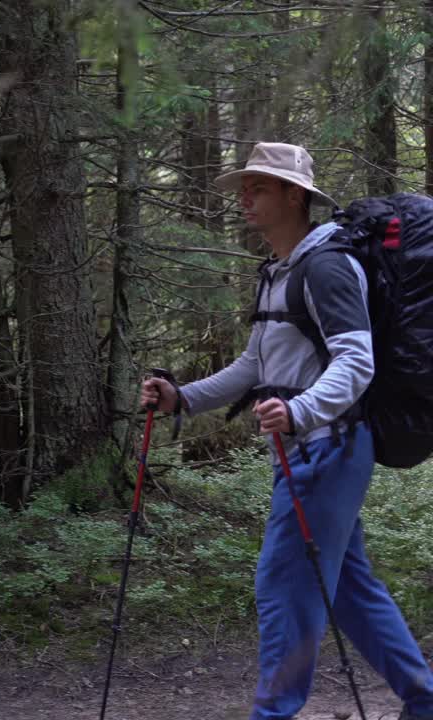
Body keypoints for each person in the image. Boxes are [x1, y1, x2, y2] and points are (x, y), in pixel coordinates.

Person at [140, 142, 433, 720]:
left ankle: (273, 713)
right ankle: (425, 700)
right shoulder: (280, 271)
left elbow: (356, 361)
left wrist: (300, 412)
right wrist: (182, 399)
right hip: (316, 448)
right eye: (243, 188)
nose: (245, 198)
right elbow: (255, 366)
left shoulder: (325, 265)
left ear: (295, 195)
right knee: (350, 591)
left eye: (260, 187)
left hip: (329, 449)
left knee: (283, 586)